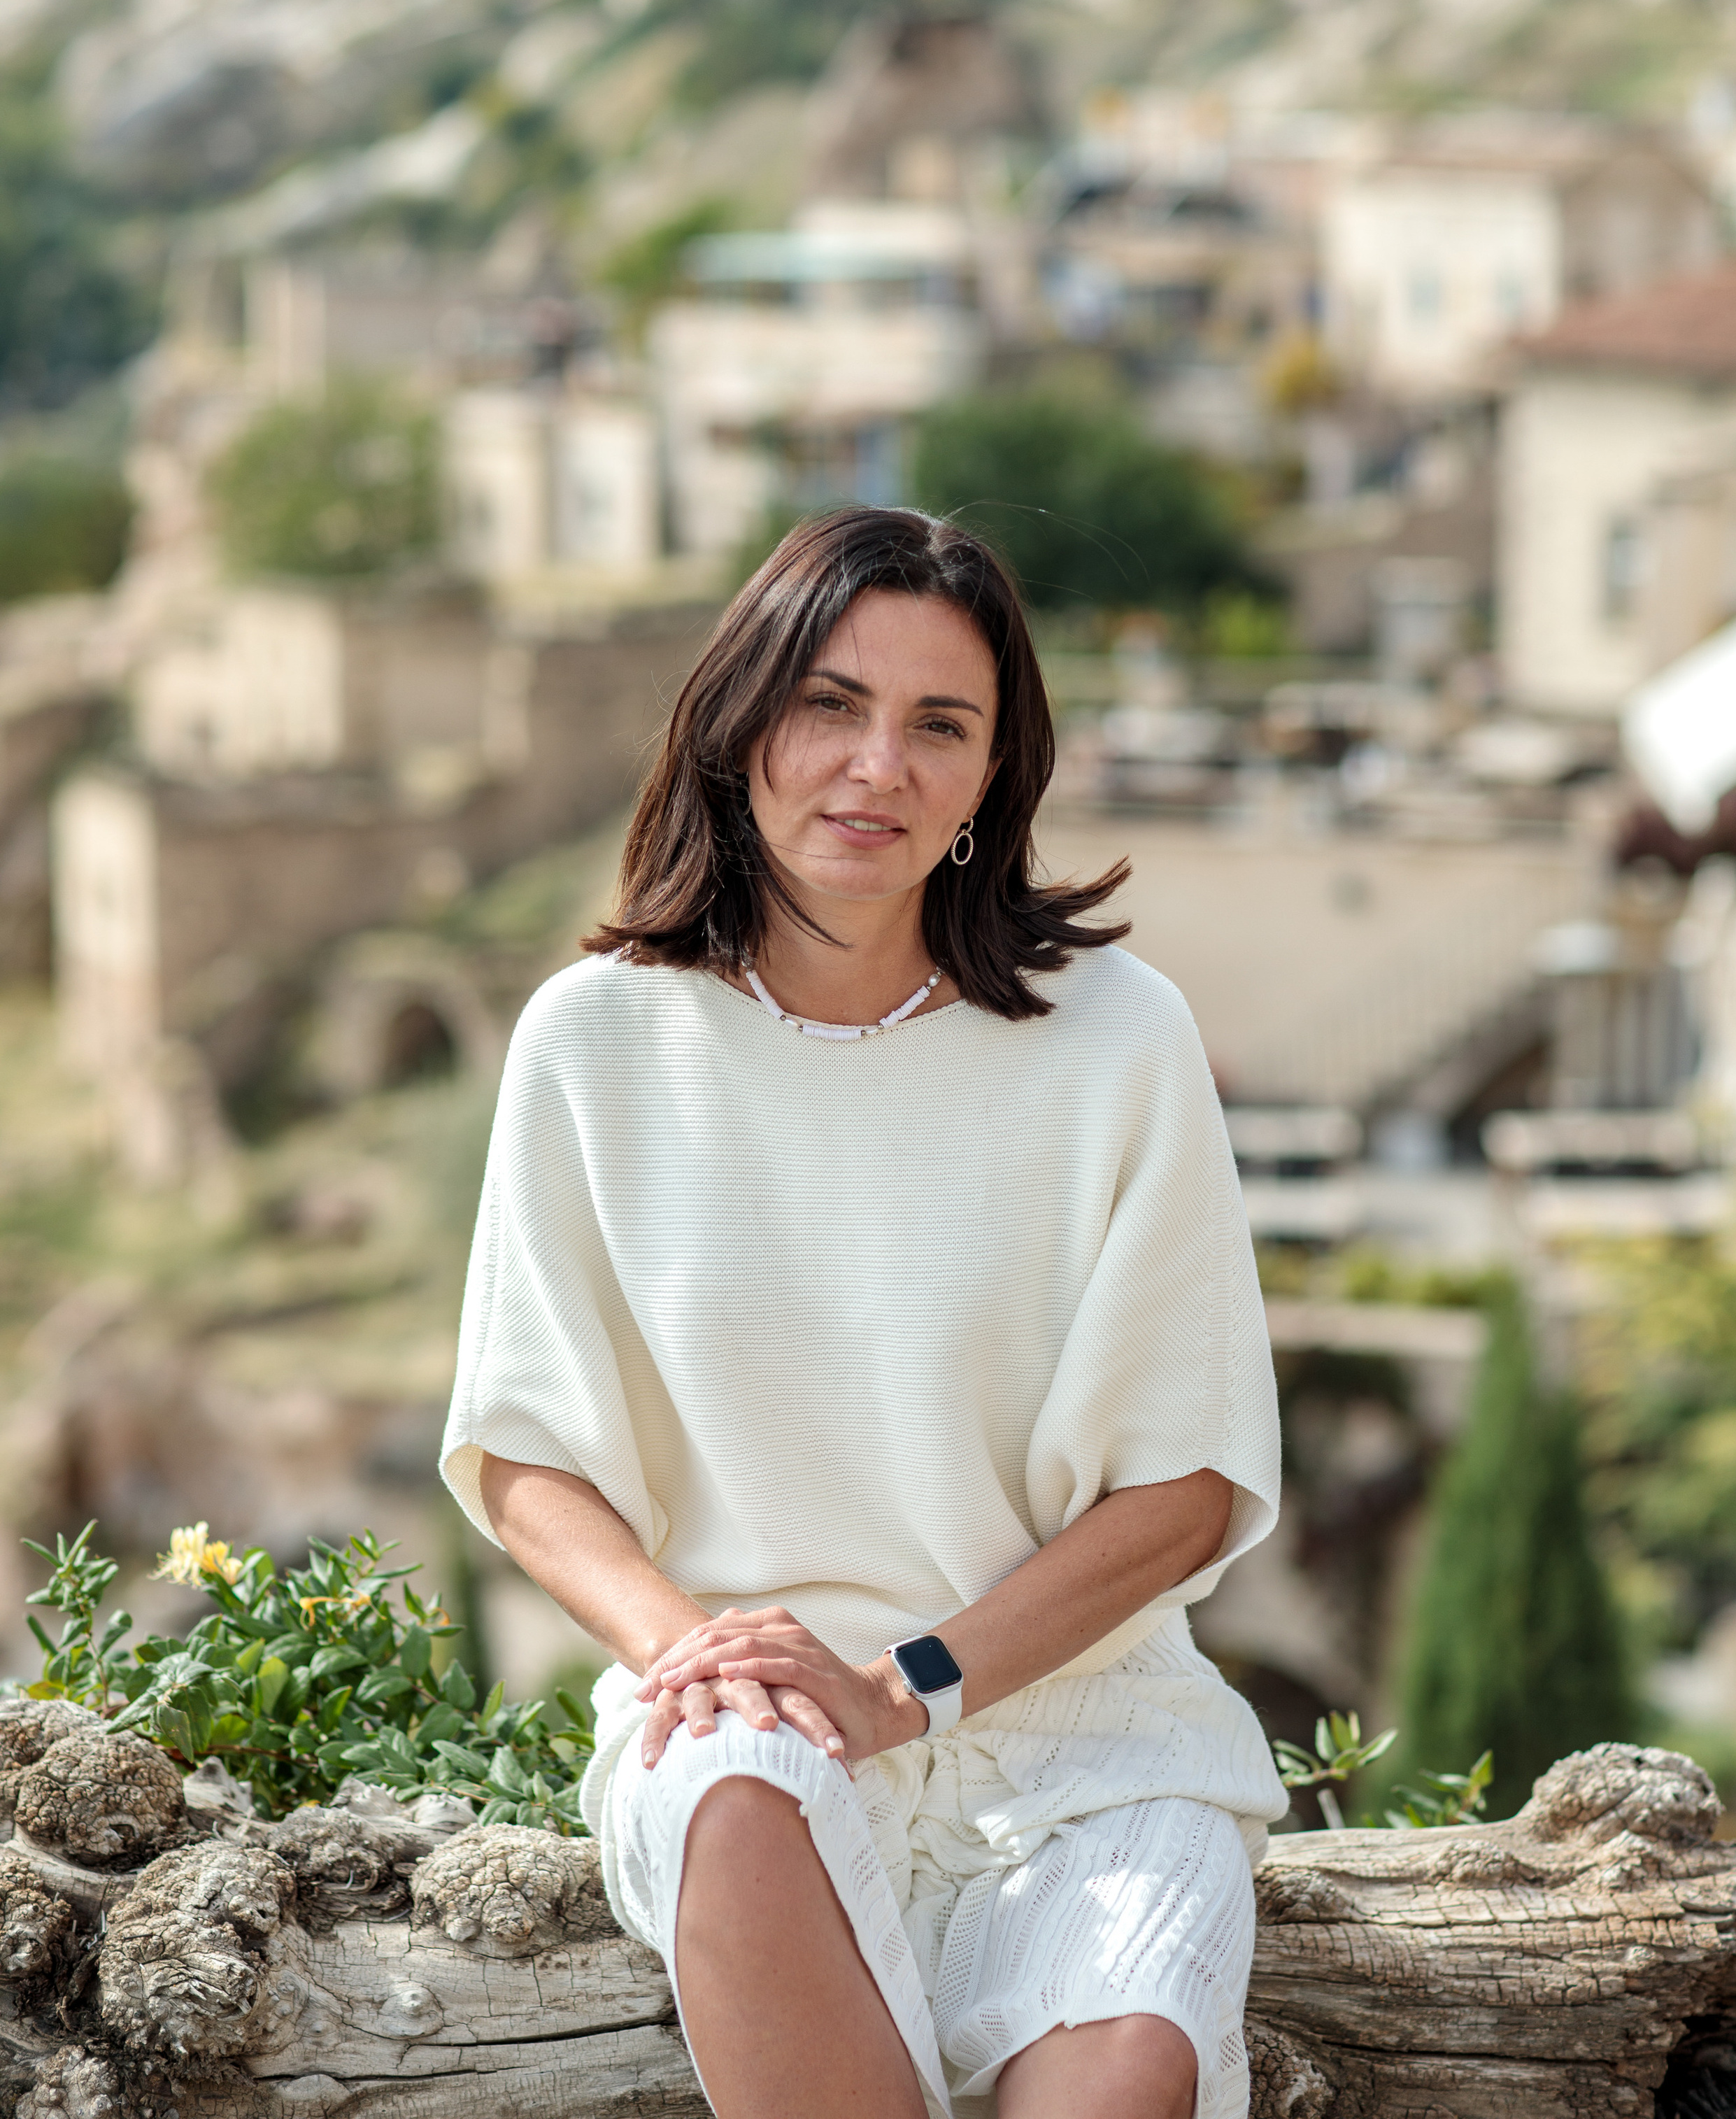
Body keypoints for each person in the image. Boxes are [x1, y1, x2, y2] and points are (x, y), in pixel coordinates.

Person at [441, 505, 1286, 2119]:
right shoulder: (590, 1044)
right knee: (743, 1803)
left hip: (1081, 1741)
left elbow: (1184, 1488)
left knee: (1124, 2082)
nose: (873, 766)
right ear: (738, 722)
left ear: (989, 781)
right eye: (829, 704)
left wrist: (908, 1688)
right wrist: (691, 1654)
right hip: (750, 1736)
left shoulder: (1114, 1039)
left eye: (937, 727)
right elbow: (525, 1453)